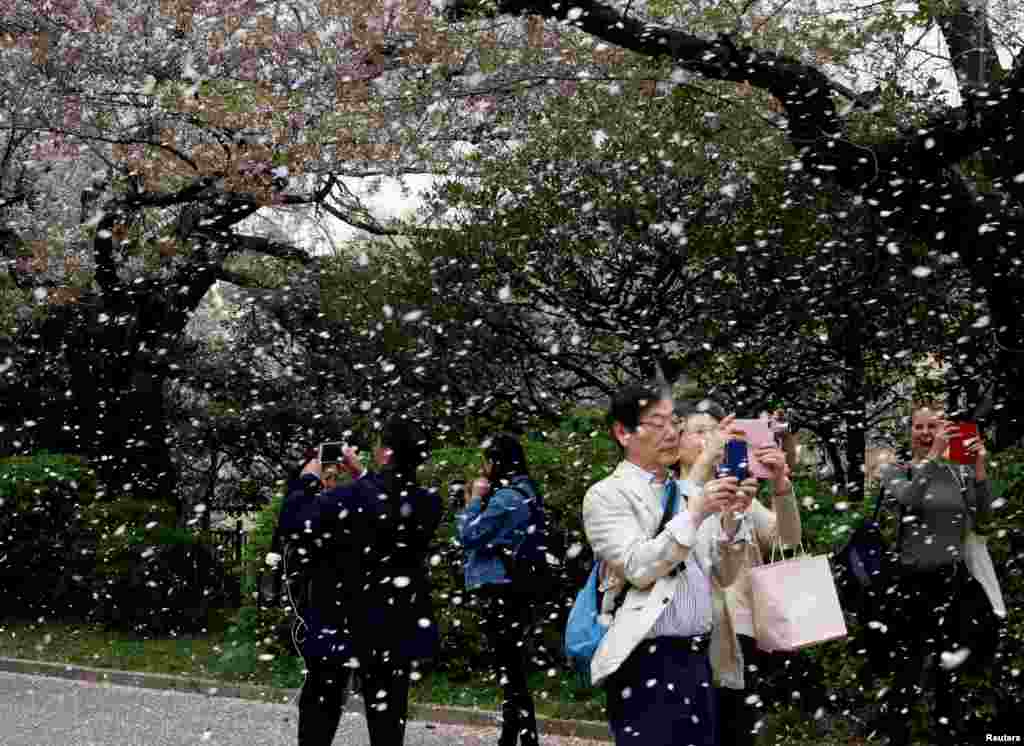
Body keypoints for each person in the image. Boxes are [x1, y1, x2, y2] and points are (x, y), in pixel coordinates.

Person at [582, 383, 750, 746]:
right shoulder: (606, 494)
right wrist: (696, 507)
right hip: (644, 660)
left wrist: (733, 519)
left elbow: (724, 573)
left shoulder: (689, 490)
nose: (671, 432)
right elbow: (639, 566)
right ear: (623, 432)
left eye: (674, 421)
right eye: (656, 423)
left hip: (698, 656)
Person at [275, 416, 442, 746]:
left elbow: (294, 523)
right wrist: (364, 474)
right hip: (395, 623)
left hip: (340, 617)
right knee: (388, 715)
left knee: (321, 709)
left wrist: (307, 481)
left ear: (386, 453)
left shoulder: (346, 498)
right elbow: (388, 504)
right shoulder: (427, 503)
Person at [673, 400, 803, 746]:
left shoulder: (739, 490)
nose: (709, 441)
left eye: (717, 433)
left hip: (743, 633)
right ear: (677, 440)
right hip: (690, 635)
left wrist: (781, 485)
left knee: (737, 731)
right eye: (699, 432)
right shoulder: (669, 498)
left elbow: (786, 538)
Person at [875, 401, 1001, 746]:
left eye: (933, 427)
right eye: (920, 427)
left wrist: (978, 467)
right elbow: (911, 499)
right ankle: (897, 734)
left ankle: (948, 734)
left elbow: (985, 519)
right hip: (911, 583)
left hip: (953, 581)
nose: (927, 433)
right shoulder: (895, 471)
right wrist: (935, 455)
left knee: (953, 673)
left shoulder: (956, 473)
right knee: (908, 669)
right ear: (910, 431)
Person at [456, 432, 543, 746]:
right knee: (512, 668)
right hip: (514, 588)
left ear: (496, 461)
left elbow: (469, 535)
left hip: (499, 589)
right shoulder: (526, 491)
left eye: (487, 461)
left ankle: (523, 737)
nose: (484, 469)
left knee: (510, 670)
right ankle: (513, 735)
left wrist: (474, 500)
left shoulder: (506, 497)